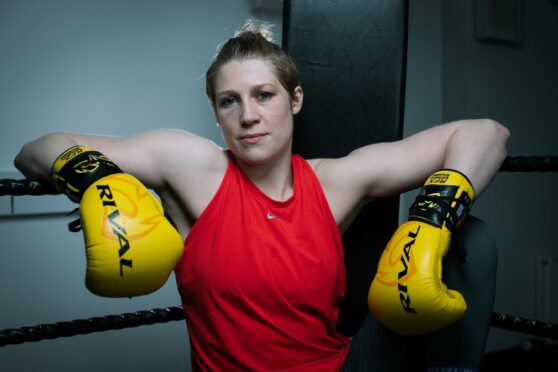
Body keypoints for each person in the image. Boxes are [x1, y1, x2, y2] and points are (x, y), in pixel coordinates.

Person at [14, 20, 509, 371]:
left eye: (263, 95)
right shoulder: (194, 168)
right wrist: (96, 180)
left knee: (474, 242)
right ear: (216, 113)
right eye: (230, 101)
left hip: (342, 366)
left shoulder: (333, 181)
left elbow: (485, 133)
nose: (248, 115)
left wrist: (434, 215)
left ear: (294, 100)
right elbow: (38, 150)